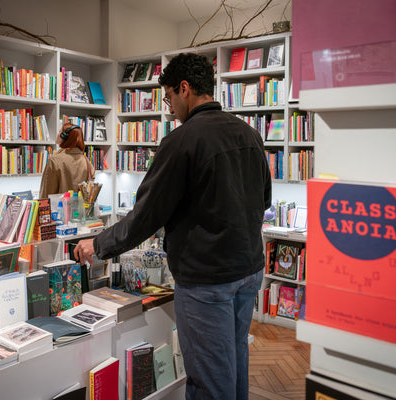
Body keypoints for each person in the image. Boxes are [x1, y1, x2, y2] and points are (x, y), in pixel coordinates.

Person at [74, 53, 271, 399]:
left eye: (168, 98)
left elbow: (147, 214)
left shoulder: (181, 142)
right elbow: (264, 200)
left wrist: (99, 244)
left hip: (207, 279)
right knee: (236, 362)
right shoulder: (250, 134)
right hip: (249, 270)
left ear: (185, 89)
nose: (168, 108)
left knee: (209, 379)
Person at [39, 123, 95, 198]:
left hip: (60, 208)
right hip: (81, 209)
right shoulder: (86, 161)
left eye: (60, 131)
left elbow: (46, 194)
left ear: (64, 136)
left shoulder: (55, 161)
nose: (58, 134)